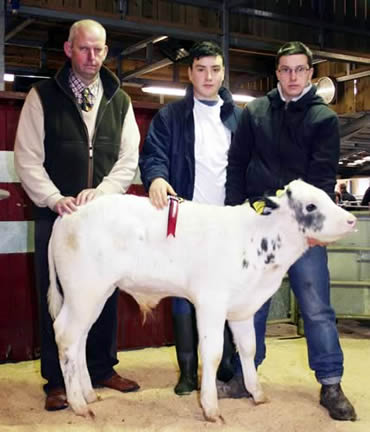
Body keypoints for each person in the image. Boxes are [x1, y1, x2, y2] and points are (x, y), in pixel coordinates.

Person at [222, 41, 357, 421]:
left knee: (315, 306)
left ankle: (331, 382)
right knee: (252, 303)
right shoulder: (255, 112)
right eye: (285, 69)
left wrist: (314, 229)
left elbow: (322, 177)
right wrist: (236, 214)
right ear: (277, 72)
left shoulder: (324, 119)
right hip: (258, 225)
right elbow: (237, 164)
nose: (292, 76)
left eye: (300, 69)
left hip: (303, 233)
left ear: (311, 73)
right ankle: (244, 375)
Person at [14, 19, 141, 411]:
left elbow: (128, 159)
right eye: (84, 49)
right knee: (58, 297)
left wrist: (101, 196)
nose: (92, 57)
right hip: (58, 215)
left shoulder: (120, 98)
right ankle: (56, 380)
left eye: (99, 50)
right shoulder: (42, 96)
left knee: (105, 289)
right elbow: (28, 157)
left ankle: (102, 368)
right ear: (68, 49)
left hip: (102, 217)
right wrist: (54, 199)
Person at [139, 41, 242, 396]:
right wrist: (156, 177)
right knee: (185, 294)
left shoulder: (239, 118)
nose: (208, 76)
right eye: (201, 69)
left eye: (215, 69)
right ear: (190, 72)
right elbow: (153, 154)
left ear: (223, 72)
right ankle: (187, 371)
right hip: (185, 221)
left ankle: (225, 365)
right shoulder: (171, 116)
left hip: (227, 222)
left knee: (225, 295)